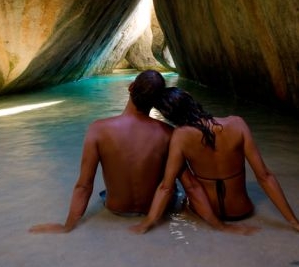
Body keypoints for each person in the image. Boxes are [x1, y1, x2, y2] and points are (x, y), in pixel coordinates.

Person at [29, 71, 254, 234]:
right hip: (159, 210)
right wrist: (220, 226)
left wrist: (67, 226)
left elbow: (84, 185)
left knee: (104, 192)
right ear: (156, 102)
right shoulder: (168, 133)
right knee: (174, 190)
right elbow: (191, 186)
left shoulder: (98, 130)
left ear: (130, 88)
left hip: (116, 209)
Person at [129, 87, 299, 238]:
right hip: (242, 211)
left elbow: (166, 187)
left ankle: (216, 226)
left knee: (178, 173)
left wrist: (148, 222)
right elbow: (264, 176)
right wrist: (295, 222)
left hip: (204, 212)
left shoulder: (179, 137)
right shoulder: (237, 124)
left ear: (169, 116)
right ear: (192, 101)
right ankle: (223, 226)